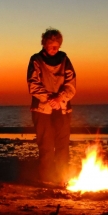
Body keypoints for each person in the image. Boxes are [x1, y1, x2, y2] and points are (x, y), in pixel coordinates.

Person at [27, 28, 77, 185]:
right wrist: (49, 98)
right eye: (51, 45)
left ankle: (62, 178)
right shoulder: (36, 60)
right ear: (44, 44)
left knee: (63, 146)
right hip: (42, 110)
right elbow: (33, 85)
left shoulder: (65, 60)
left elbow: (71, 85)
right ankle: (46, 178)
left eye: (56, 46)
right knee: (46, 146)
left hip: (62, 109)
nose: (54, 48)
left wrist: (60, 98)